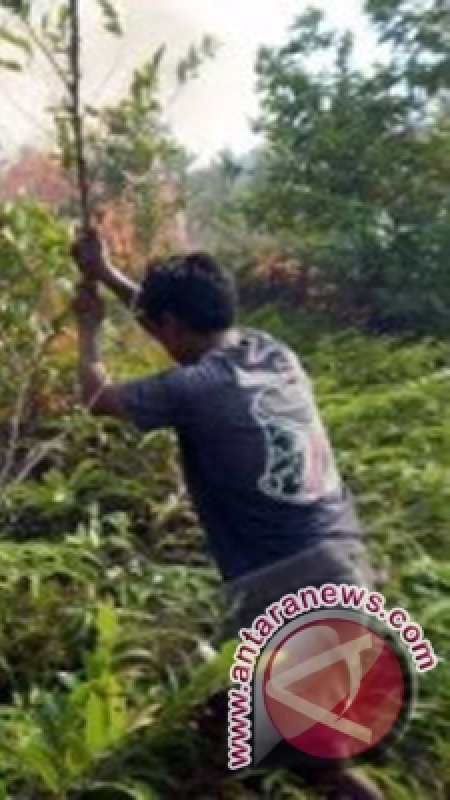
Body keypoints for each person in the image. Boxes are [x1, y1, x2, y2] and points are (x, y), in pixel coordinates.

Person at [70, 230, 383, 800]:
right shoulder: (271, 351)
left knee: (300, 763)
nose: (156, 336)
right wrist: (109, 272)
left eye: (158, 325)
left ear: (170, 326)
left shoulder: (198, 388)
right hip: (346, 570)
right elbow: (168, 315)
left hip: (287, 590)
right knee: (264, 746)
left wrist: (87, 327)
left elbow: (97, 398)